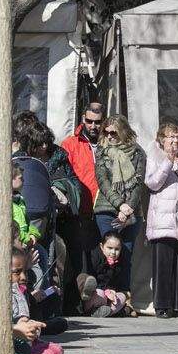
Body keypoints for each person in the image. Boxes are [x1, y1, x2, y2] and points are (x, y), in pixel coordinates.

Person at [144, 122, 178, 318]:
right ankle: (161, 306)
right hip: (162, 220)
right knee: (163, 267)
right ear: (162, 140)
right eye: (171, 137)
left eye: (177, 137)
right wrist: (168, 163)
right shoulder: (155, 156)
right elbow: (152, 183)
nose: (175, 141)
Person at [92, 114, 145, 293]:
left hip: (131, 211)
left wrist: (128, 208)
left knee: (125, 255)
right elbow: (103, 181)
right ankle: (102, 294)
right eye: (105, 132)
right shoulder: (102, 151)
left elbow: (138, 183)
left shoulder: (138, 152)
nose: (109, 136)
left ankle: (124, 296)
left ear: (123, 131)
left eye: (113, 133)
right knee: (106, 254)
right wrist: (120, 205)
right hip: (107, 208)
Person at [58, 102, 104, 289]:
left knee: (104, 256)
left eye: (97, 122)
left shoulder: (109, 140)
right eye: (89, 121)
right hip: (80, 210)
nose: (93, 126)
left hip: (105, 208)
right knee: (82, 257)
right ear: (82, 120)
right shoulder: (70, 144)